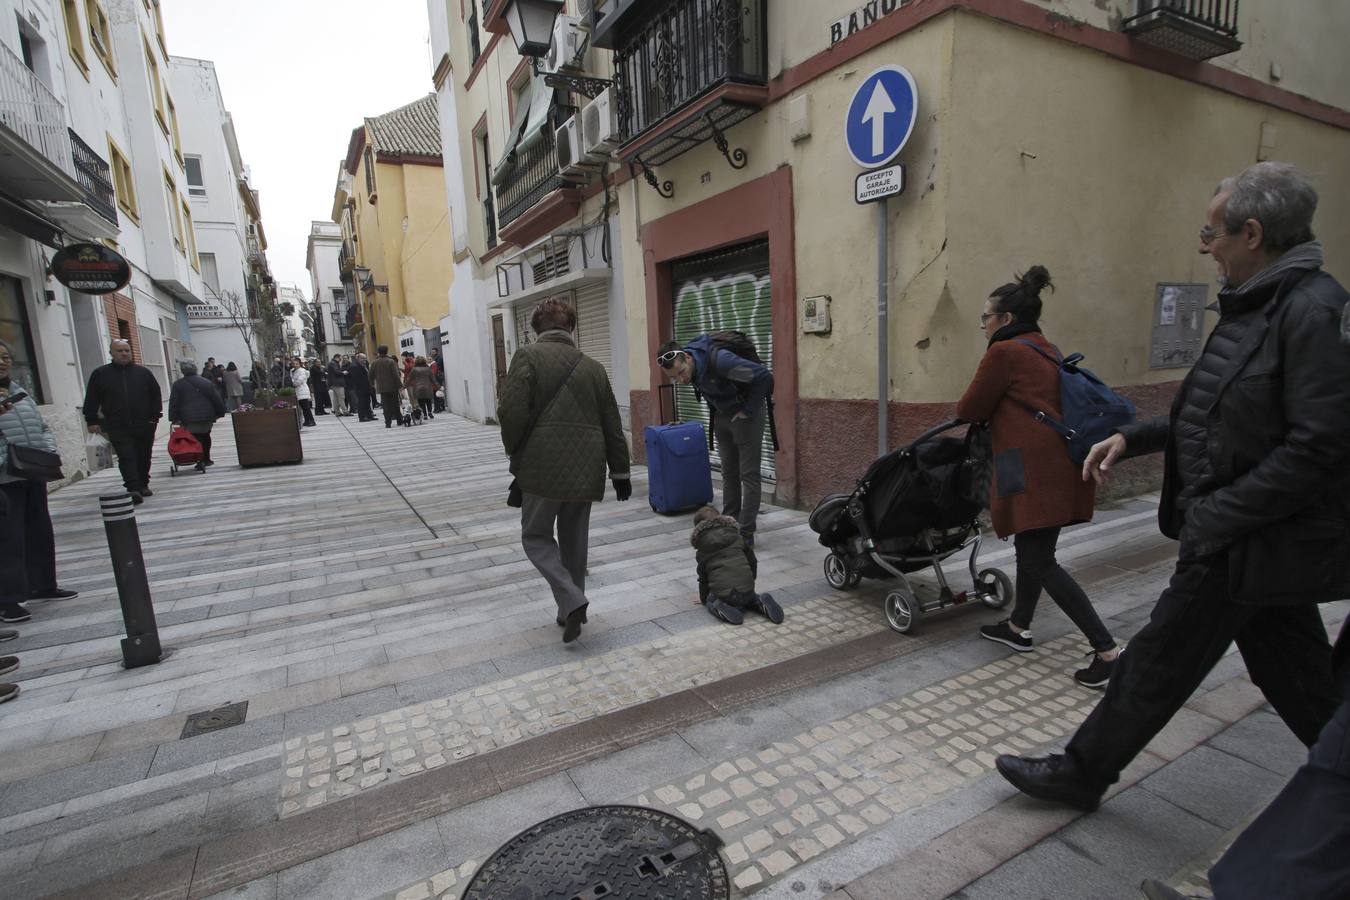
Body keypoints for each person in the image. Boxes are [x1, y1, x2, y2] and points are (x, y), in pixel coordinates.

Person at [996, 162, 1350, 813]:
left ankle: (1081, 773)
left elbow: (1319, 448)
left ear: (1252, 233)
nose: (1201, 245)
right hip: (1248, 540)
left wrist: (1217, 514)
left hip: (1246, 537)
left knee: (1158, 658)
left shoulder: (1313, 313)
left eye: (1210, 231)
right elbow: (1217, 409)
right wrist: (1138, 437)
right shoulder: (1260, 303)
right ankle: (1342, 771)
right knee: (1297, 677)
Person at [955, 265, 1120, 688]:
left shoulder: (1004, 352)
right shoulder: (1044, 346)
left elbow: (970, 409)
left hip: (1031, 469)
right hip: (1058, 464)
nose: (983, 326)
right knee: (1034, 550)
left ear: (1005, 319)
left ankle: (1107, 651)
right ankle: (1018, 627)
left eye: (985, 318)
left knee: (1038, 559)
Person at [498, 298, 631, 643]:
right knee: (575, 543)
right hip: (586, 469)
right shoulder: (593, 367)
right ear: (570, 327)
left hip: (541, 467)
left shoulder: (526, 357)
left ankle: (572, 600)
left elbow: (511, 413)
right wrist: (621, 473)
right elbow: (612, 423)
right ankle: (568, 610)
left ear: (536, 328)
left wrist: (515, 450)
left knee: (535, 536)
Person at [658, 334, 773, 546]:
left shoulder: (721, 362)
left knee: (749, 475)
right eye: (674, 378)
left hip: (746, 415)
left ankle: (745, 535)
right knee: (728, 473)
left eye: (681, 373)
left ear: (688, 358)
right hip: (722, 415)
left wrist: (747, 410)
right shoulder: (691, 367)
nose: (681, 380)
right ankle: (729, 525)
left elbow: (764, 377)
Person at [0, 340, 78, 627]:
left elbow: (42, 427)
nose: (3, 362)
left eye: (6, 356)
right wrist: (8, 457)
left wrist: (45, 450)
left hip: (32, 471)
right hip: (6, 477)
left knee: (39, 530)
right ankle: (8, 600)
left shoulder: (20, 392)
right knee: (9, 539)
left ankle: (43, 583)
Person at [83, 339, 162, 504]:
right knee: (126, 456)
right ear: (112, 353)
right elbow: (92, 398)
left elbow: (155, 394)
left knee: (144, 455)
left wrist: (154, 418)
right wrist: (91, 420)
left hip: (144, 424)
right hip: (117, 424)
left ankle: (143, 484)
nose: (124, 353)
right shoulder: (101, 374)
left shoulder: (143, 373)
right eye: (119, 351)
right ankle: (133, 488)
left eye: (127, 350)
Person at [691, 505, 783, 626]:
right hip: (748, 589)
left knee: (711, 600)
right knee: (749, 599)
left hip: (727, 596)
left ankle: (721, 607)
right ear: (721, 519)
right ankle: (759, 602)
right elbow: (752, 561)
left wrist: (704, 599)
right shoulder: (738, 538)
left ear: (699, 529)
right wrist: (751, 581)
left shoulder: (702, 551)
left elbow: (703, 579)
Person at [167, 361, 226, 469]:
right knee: (206, 435)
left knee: (195, 437)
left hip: (188, 417)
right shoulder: (206, 382)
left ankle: (200, 459)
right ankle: (206, 458)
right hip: (207, 415)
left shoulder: (178, 384)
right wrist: (220, 412)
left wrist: (174, 418)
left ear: (182, 370)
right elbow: (216, 398)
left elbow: (174, 402)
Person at [371, 345, 402, 429]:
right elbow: (396, 375)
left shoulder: (374, 362)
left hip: (382, 387)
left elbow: (370, 375)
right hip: (392, 386)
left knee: (386, 405)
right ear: (387, 351)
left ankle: (388, 423)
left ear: (378, 352)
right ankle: (399, 420)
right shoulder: (391, 361)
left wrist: (372, 384)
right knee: (395, 404)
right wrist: (400, 385)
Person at [405, 356, 436, 421]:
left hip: (418, 388)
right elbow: (432, 378)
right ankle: (430, 412)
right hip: (427, 387)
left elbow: (409, 379)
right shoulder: (428, 368)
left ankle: (425, 414)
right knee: (428, 401)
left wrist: (404, 386)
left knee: (421, 402)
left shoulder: (414, 369)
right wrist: (438, 386)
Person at [348, 353, 374, 421]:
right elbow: (355, 378)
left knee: (367, 401)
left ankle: (369, 415)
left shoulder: (363, 364)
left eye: (365, 358)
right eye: (363, 358)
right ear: (358, 358)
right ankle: (362, 417)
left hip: (366, 386)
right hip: (360, 387)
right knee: (362, 402)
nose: (364, 360)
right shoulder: (354, 366)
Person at [291, 358, 316, 427]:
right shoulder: (293, 371)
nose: (295, 365)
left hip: (302, 390)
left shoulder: (301, 371)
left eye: (297, 364)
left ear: (300, 364)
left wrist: (293, 383)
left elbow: (300, 380)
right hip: (299, 391)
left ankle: (311, 421)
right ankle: (307, 420)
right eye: (294, 364)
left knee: (306, 407)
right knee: (303, 407)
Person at [429, 347, 446, 412]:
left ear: (437, 352)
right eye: (432, 352)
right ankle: (439, 407)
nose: (432, 353)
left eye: (434, 352)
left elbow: (437, 367)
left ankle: (441, 406)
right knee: (436, 393)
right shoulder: (433, 359)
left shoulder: (439, 358)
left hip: (438, 378)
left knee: (438, 393)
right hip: (435, 378)